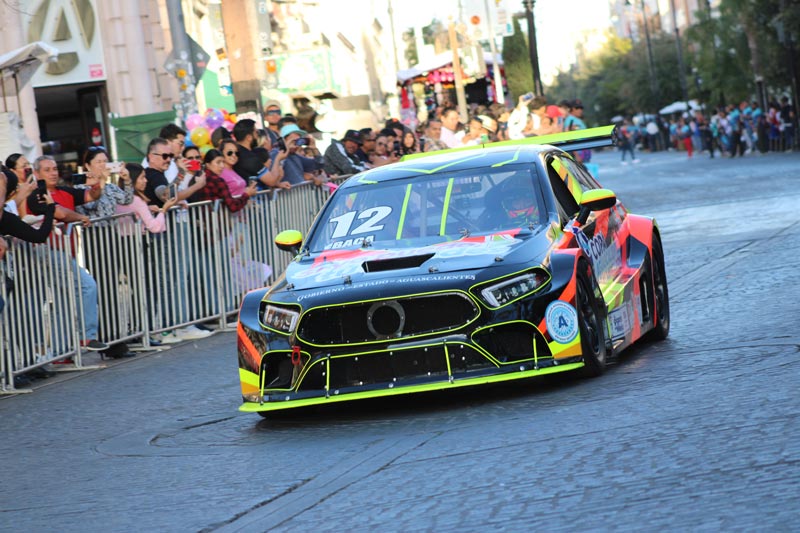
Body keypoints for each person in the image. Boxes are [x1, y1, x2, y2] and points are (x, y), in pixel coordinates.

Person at [31, 155, 108, 352]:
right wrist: (81, 216)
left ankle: (60, 351)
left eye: (55, 169)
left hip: (65, 251)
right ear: (37, 173)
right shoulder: (37, 195)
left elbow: (91, 196)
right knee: (87, 286)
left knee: (62, 300)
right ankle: (87, 337)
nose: (53, 173)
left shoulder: (65, 190)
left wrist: (96, 184)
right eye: (47, 170)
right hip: (49, 250)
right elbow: (61, 214)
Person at [76, 147, 133, 219]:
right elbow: (91, 205)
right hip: (93, 229)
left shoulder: (110, 187)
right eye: (99, 162)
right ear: (88, 166)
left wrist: (127, 180)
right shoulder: (81, 185)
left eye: (105, 161)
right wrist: (102, 181)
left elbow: (127, 200)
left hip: (112, 228)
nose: (103, 165)